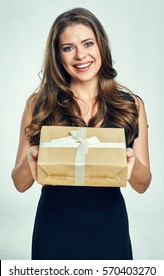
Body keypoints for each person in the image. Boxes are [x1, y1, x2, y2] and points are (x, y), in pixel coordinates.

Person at [11, 7, 151, 260]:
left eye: (88, 43)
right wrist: (31, 156)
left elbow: (142, 184)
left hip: (110, 230)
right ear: (58, 55)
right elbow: (20, 184)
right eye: (68, 47)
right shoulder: (39, 104)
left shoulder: (132, 105)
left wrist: (131, 160)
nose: (80, 55)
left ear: (101, 46)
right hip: (54, 230)